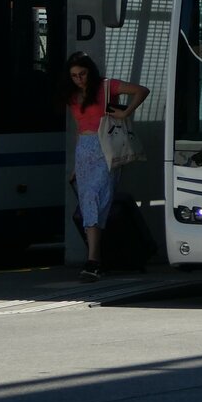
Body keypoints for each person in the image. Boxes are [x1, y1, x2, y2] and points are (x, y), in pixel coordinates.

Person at [59, 51, 149, 282]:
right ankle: (96, 259)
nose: (79, 79)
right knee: (90, 199)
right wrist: (76, 166)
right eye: (74, 76)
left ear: (91, 71)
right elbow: (80, 129)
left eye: (82, 74)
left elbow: (141, 90)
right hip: (85, 150)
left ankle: (94, 260)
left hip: (105, 148)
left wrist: (126, 112)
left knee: (97, 197)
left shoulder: (106, 86)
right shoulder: (72, 96)